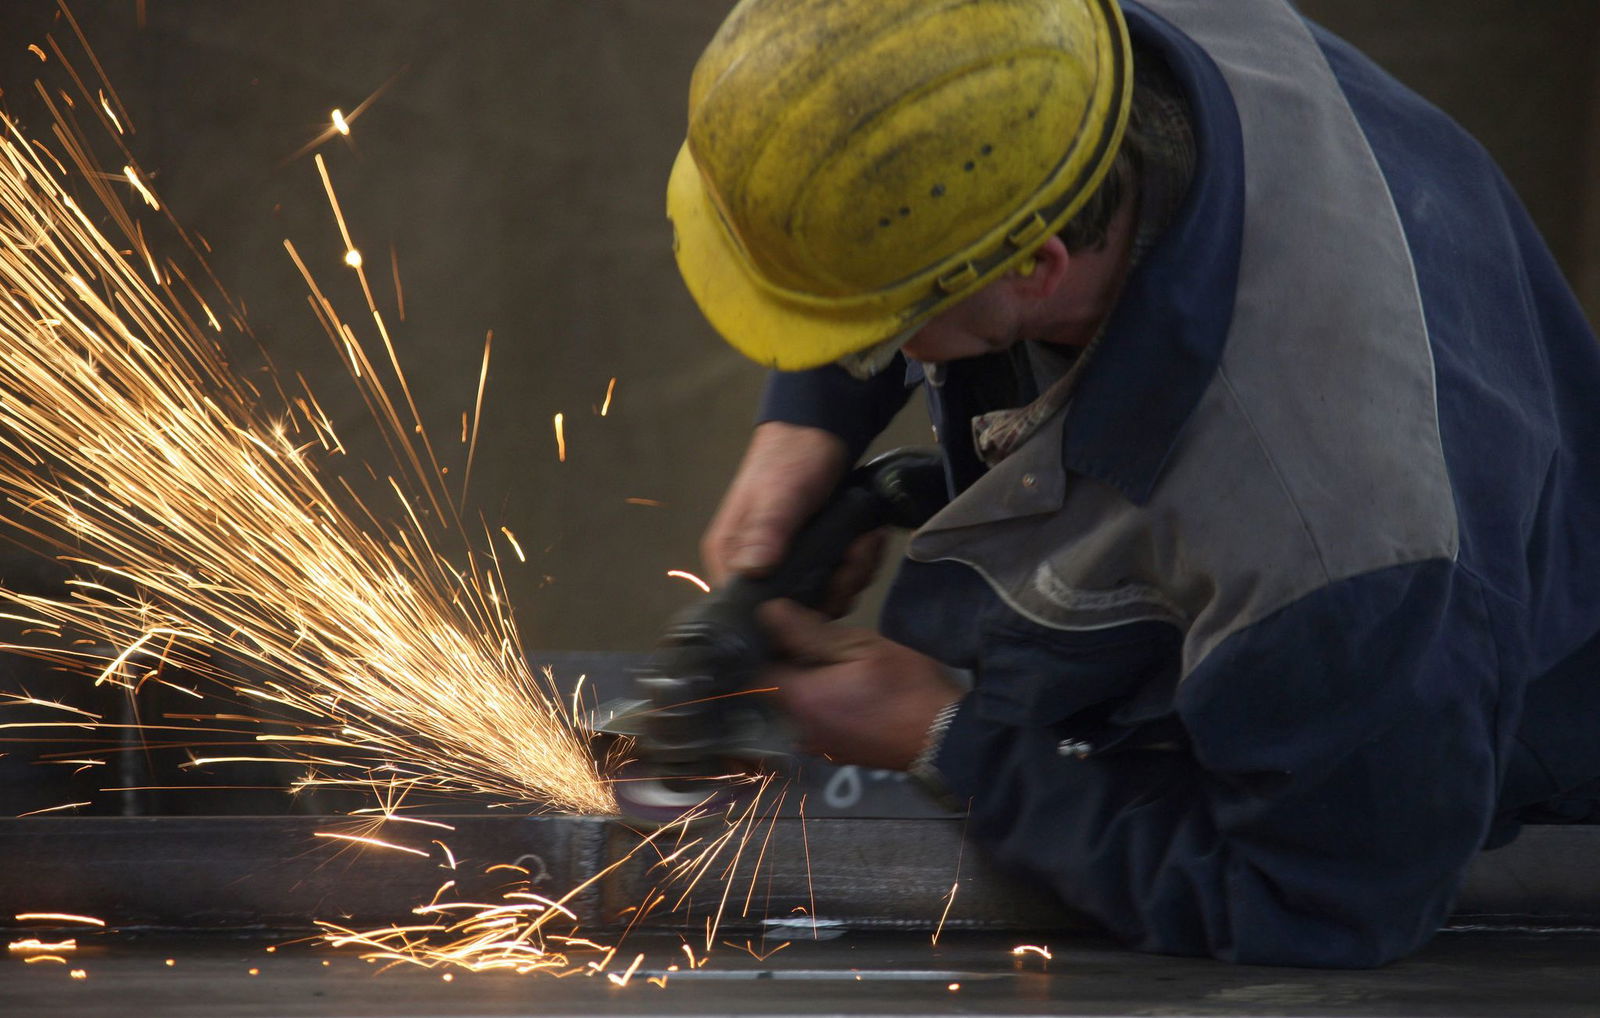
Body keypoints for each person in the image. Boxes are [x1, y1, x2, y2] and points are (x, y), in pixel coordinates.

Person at [666, 0, 1600, 967]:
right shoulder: (1027, 48)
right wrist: (807, 426)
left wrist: (943, 736)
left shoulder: (1332, 544)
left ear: (1036, 270)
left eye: (867, 335)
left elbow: (1317, 909)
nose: (867, 359)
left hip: (1444, 728)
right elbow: (907, 173)